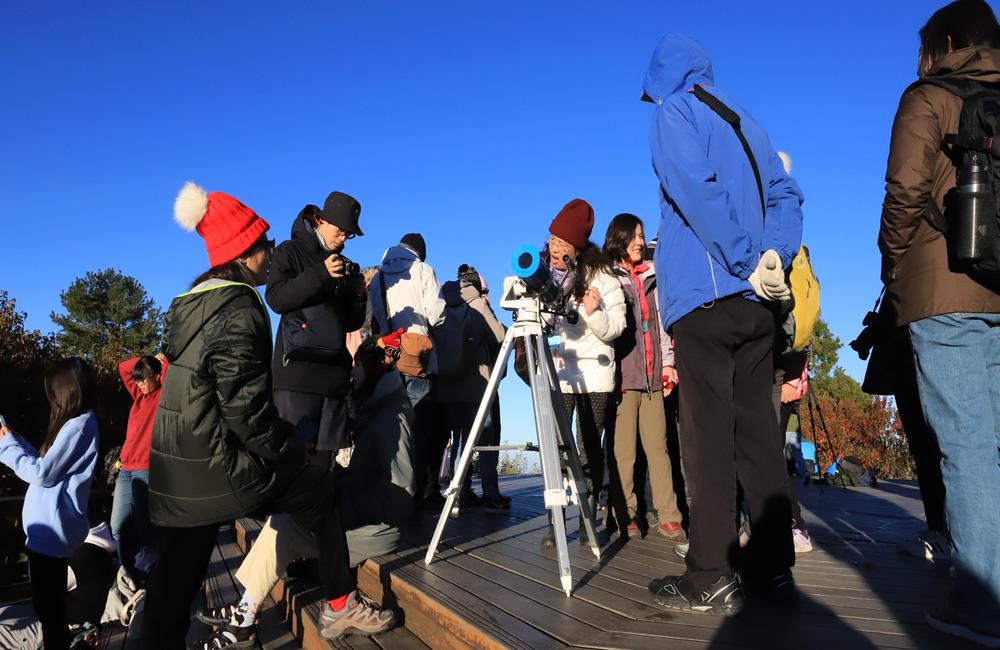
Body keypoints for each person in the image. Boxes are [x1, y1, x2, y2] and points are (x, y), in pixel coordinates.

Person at [145, 182, 392, 650]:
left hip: (177, 474)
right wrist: (289, 449)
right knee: (320, 489)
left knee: (172, 589)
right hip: (217, 469)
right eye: (263, 245)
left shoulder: (193, 301)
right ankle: (339, 605)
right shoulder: (240, 305)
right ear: (244, 250)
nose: (269, 253)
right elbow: (245, 407)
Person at [640, 34, 804, 617]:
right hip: (761, 299)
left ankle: (710, 572)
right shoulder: (750, 124)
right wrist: (773, 258)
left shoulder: (674, 113)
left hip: (707, 295)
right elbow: (788, 191)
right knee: (759, 434)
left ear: (663, 77)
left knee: (705, 437)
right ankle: (772, 568)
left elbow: (694, 189)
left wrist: (739, 257)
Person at [878, 1, 1000, 643]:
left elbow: (904, 189)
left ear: (945, 43)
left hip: (942, 291)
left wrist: (893, 264)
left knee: (967, 446)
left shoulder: (928, 95)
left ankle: (983, 606)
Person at [193, 332, 415, 641]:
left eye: (358, 366)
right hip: (353, 515)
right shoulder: (372, 407)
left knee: (287, 523)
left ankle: (245, 616)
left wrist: (341, 501)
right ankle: (245, 610)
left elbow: (400, 499)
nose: (352, 373)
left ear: (377, 370)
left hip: (378, 528)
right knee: (287, 515)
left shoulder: (392, 418)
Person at [538, 198, 627, 548]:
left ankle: (589, 521)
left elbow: (616, 327)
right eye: (552, 240)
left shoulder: (602, 277)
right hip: (560, 373)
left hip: (594, 376)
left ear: (577, 248)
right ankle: (555, 523)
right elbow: (543, 325)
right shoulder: (546, 276)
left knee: (590, 449)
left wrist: (592, 312)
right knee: (558, 448)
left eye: (562, 244)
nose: (554, 248)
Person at [0, 357, 101, 650]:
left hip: (51, 536)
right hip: (45, 535)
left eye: (52, 392)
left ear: (65, 390)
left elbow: (41, 474)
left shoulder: (79, 426)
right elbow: (44, 465)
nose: (50, 398)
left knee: (50, 612)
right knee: (48, 609)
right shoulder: (74, 425)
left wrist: (6, 447)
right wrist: (15, 440)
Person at [266, 193, 368, 465]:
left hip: (333, 380)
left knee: (325, 466)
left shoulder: (341, 263)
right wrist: (320, 274)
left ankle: (324, 508)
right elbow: (276, 298)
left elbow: (350, 323)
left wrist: (358, 293)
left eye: (349, 234)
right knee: (293, 462)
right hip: (297, 380)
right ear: (321, 220)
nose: (344, 238)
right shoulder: (290, 250)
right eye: (341, 230)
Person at [603, 213, 685, 542]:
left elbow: (661, 327)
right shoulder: (607, 278)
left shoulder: (652, 277)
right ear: (619, 238)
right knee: (624, 452)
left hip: (652, 376)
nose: (640, 241)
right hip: (623, 377)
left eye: (642, 235)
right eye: (634, 235)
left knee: (658, 448)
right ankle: (625, 513)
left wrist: (668, 364)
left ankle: (670, 514)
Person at [368, 233, 447, 509]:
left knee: (394, 427)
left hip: (389, 356)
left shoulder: (378, 277)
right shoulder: (423, 270)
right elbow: (437, 314)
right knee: (421, 428)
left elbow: (375, 317)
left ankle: (395, 493)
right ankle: (423, 493)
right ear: (420, 253)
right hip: (418, 357)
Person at [436, 264, 509, 513]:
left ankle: (460, 492)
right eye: (485, 289)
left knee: (459, 440)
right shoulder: (477, 303)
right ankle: (491, 493)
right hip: (479, 387)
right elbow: (500, 336)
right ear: (476, 287)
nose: (487, 294)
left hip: (450, 384)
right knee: (486, 441)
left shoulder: (445, 302)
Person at [112, 354, 168, 581]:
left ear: (156, 376)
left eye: (145, 379)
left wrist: (163, 362)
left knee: (144, 526)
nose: (140, 384)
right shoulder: (138, 396)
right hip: (125, 469)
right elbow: (123, 368)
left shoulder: (162, 396)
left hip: (145, 468)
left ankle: (149, 572)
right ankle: (126, 571)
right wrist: (148, 357)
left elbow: (169, 374)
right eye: (138, 381)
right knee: (117, 525)